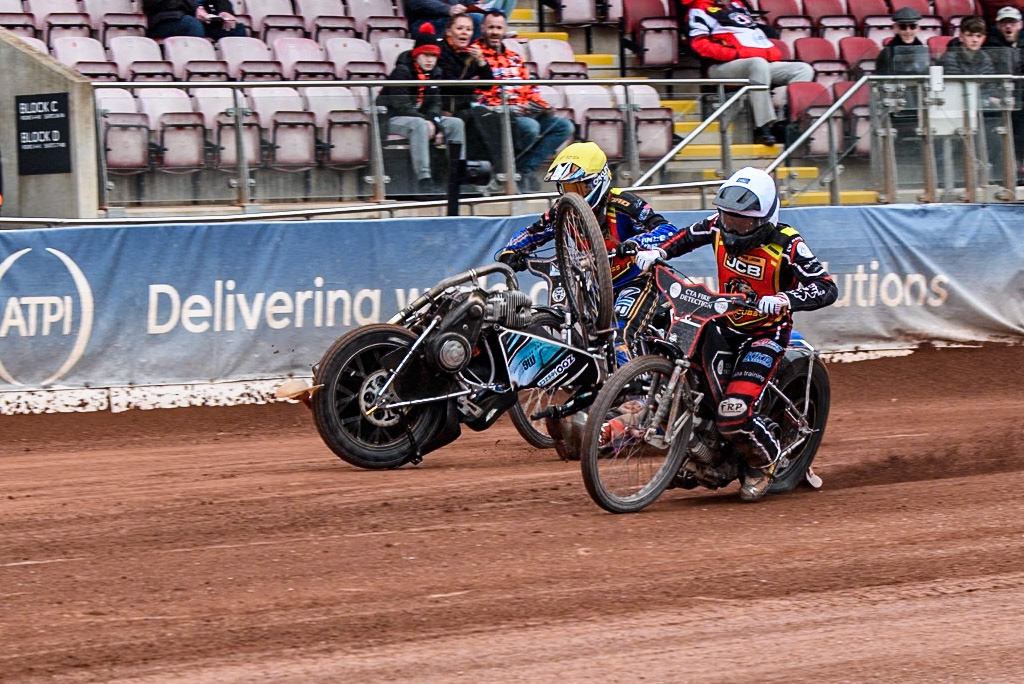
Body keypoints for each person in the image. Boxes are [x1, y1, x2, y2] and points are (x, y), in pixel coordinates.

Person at [619, 167, 838, 502]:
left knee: (734, 412)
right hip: (723, 321)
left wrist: (783, 299)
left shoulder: (788, 243)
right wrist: (660, 253)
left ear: (765, 218)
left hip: (765, 333)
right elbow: (687, 235)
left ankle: (765, 459)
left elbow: (826, 287)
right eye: (727, 217)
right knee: (681, 362)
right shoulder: (718, 224)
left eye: (742, 222)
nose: (731, 226)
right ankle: (691, 444)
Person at [494, 142, 677, 366]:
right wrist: (511, 251)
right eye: (567, 188)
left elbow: (668, 230)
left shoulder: (623, 202)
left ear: (597, 182)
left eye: (578, 188)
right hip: (598, 288)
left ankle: (634, 393)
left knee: (619, 334)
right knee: (591, 340)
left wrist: (635, 242)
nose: (573, 195)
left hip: (638, 280)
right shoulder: (563, 211)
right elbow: (534, 232)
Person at [684, 0, 814, 146]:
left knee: (802, 69)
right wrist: (735, 54)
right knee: (757, 64)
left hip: (754, 63)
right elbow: (698, 45)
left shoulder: (738, 7)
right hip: (720, 67)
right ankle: (762, 127)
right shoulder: (699, 9)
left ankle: (788, 123)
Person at [472, 10, 574, 192]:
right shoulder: (476, 56)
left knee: (564, 126)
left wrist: (543, 107)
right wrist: (510, 107)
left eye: (498, 27)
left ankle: (523, 170)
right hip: (498, 115)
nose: (495, 32)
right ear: (482, 28)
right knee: (530, 127)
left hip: (526, 112)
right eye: (491, 27)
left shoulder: (514, 57)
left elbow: (530, 89)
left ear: (505, 29)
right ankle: (514, 171)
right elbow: (478, 94)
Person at [379, 23, 466, 194]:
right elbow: (401, 106)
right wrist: (427, 122)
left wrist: (436, 124)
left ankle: (459, 176)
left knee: (456, 123)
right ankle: (424, 179)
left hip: (420, 118)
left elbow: (435, 104)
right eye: (426, 54)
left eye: (433, 56)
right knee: (419, 124)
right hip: (391, 118)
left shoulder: (435, 74)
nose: (430, 60)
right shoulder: (402, 72)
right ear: (416, 55)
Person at [143, 0, 246, 40]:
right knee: (192, 25)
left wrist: (225, 11)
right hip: (167, 20)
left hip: (205, 19)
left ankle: (237, 82)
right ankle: (200, 75)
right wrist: (194, 8)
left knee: (236, 28)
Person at [874, 7, 930, 76]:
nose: (908, 31)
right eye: (903, 27)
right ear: (895, 28)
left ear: (918, 28)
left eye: (912, 26)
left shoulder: (923, 51)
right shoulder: (887, 52)